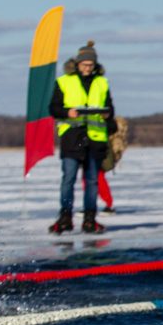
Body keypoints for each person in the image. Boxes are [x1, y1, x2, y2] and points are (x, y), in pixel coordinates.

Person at [48, 41, 116, 235]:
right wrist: (67, 112)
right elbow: (53, 108)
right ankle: (65, 217)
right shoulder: (64, 81)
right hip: (72, 137)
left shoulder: (102, 82)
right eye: (84, 64)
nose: (87, 68)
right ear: (77, 64)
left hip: (95, 138)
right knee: (68, 178)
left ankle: (89, 219)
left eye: (90, 65)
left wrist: (106, 115)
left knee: (92, 180)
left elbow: (110, 108)